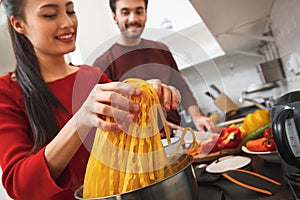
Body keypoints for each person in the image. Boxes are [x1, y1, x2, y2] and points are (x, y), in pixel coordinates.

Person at [0, 0, 181, 199]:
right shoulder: (6, 92)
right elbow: (21, 186)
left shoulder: (93, 77)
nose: (68, 22)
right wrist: (80, 120)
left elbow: (135, 136)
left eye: (70, 11)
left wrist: (150, 99)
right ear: (19, 24)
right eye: (50, 15)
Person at [93, 0, 217, 133]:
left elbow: (182, 88)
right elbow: (106, 116)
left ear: (145, 14)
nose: (133, 18)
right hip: (137, 147)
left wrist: (198, 117)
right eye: (125, 12)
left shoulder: (161, 49)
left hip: (175, 138)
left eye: (139, 11)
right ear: (114, 16)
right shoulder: (103, 63)